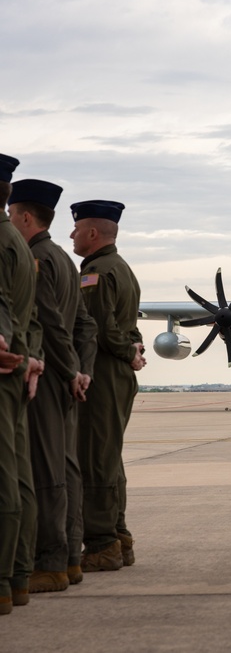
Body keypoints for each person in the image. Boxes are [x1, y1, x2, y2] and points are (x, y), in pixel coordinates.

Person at [7, 180, 98, 593]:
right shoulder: (63, 259)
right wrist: (81, 371)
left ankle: (51, 562)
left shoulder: (38, 259)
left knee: (45, 474)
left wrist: (67, 372)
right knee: (66, 468)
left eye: (12, 216)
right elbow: (85, 325)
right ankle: (72, 560)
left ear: (26, 217)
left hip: (44, 377)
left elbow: (53, 326)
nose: (9, 221)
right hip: (64, 377)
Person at [71, 200, 145, 572]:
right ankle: (119, 536)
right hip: (118, 374)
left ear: (93, 233)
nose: (72, 234)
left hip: (102, 372)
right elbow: (127, 323)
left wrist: (125, 351)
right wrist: (133, 349)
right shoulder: (123, 269)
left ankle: (102, 545)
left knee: (95, 457)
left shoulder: (96, 272)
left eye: (77, 228)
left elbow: (98, 327)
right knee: (109, 456)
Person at [0, 153, 45, 613]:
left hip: (4, 367)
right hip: (19, 367)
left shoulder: (2, 241)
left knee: (5, 478)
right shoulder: (18, 242)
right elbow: (29, 318)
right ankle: (17, 578)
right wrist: (31, 358)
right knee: (19, 476)